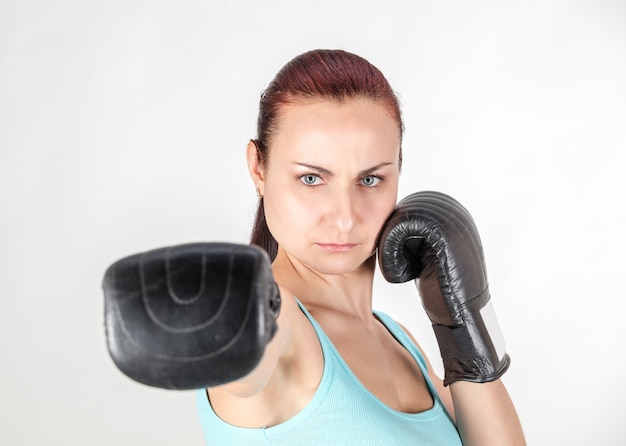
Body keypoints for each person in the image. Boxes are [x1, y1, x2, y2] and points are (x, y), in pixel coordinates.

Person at [102, 49, 525, 445]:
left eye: (370, 179)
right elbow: (257, 358)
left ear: (399, 171)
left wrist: (464, 325)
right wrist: (206, 313)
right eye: (311, 178)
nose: (343, 216)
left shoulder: (399, 339)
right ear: (259, 168)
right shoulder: (283, 324)